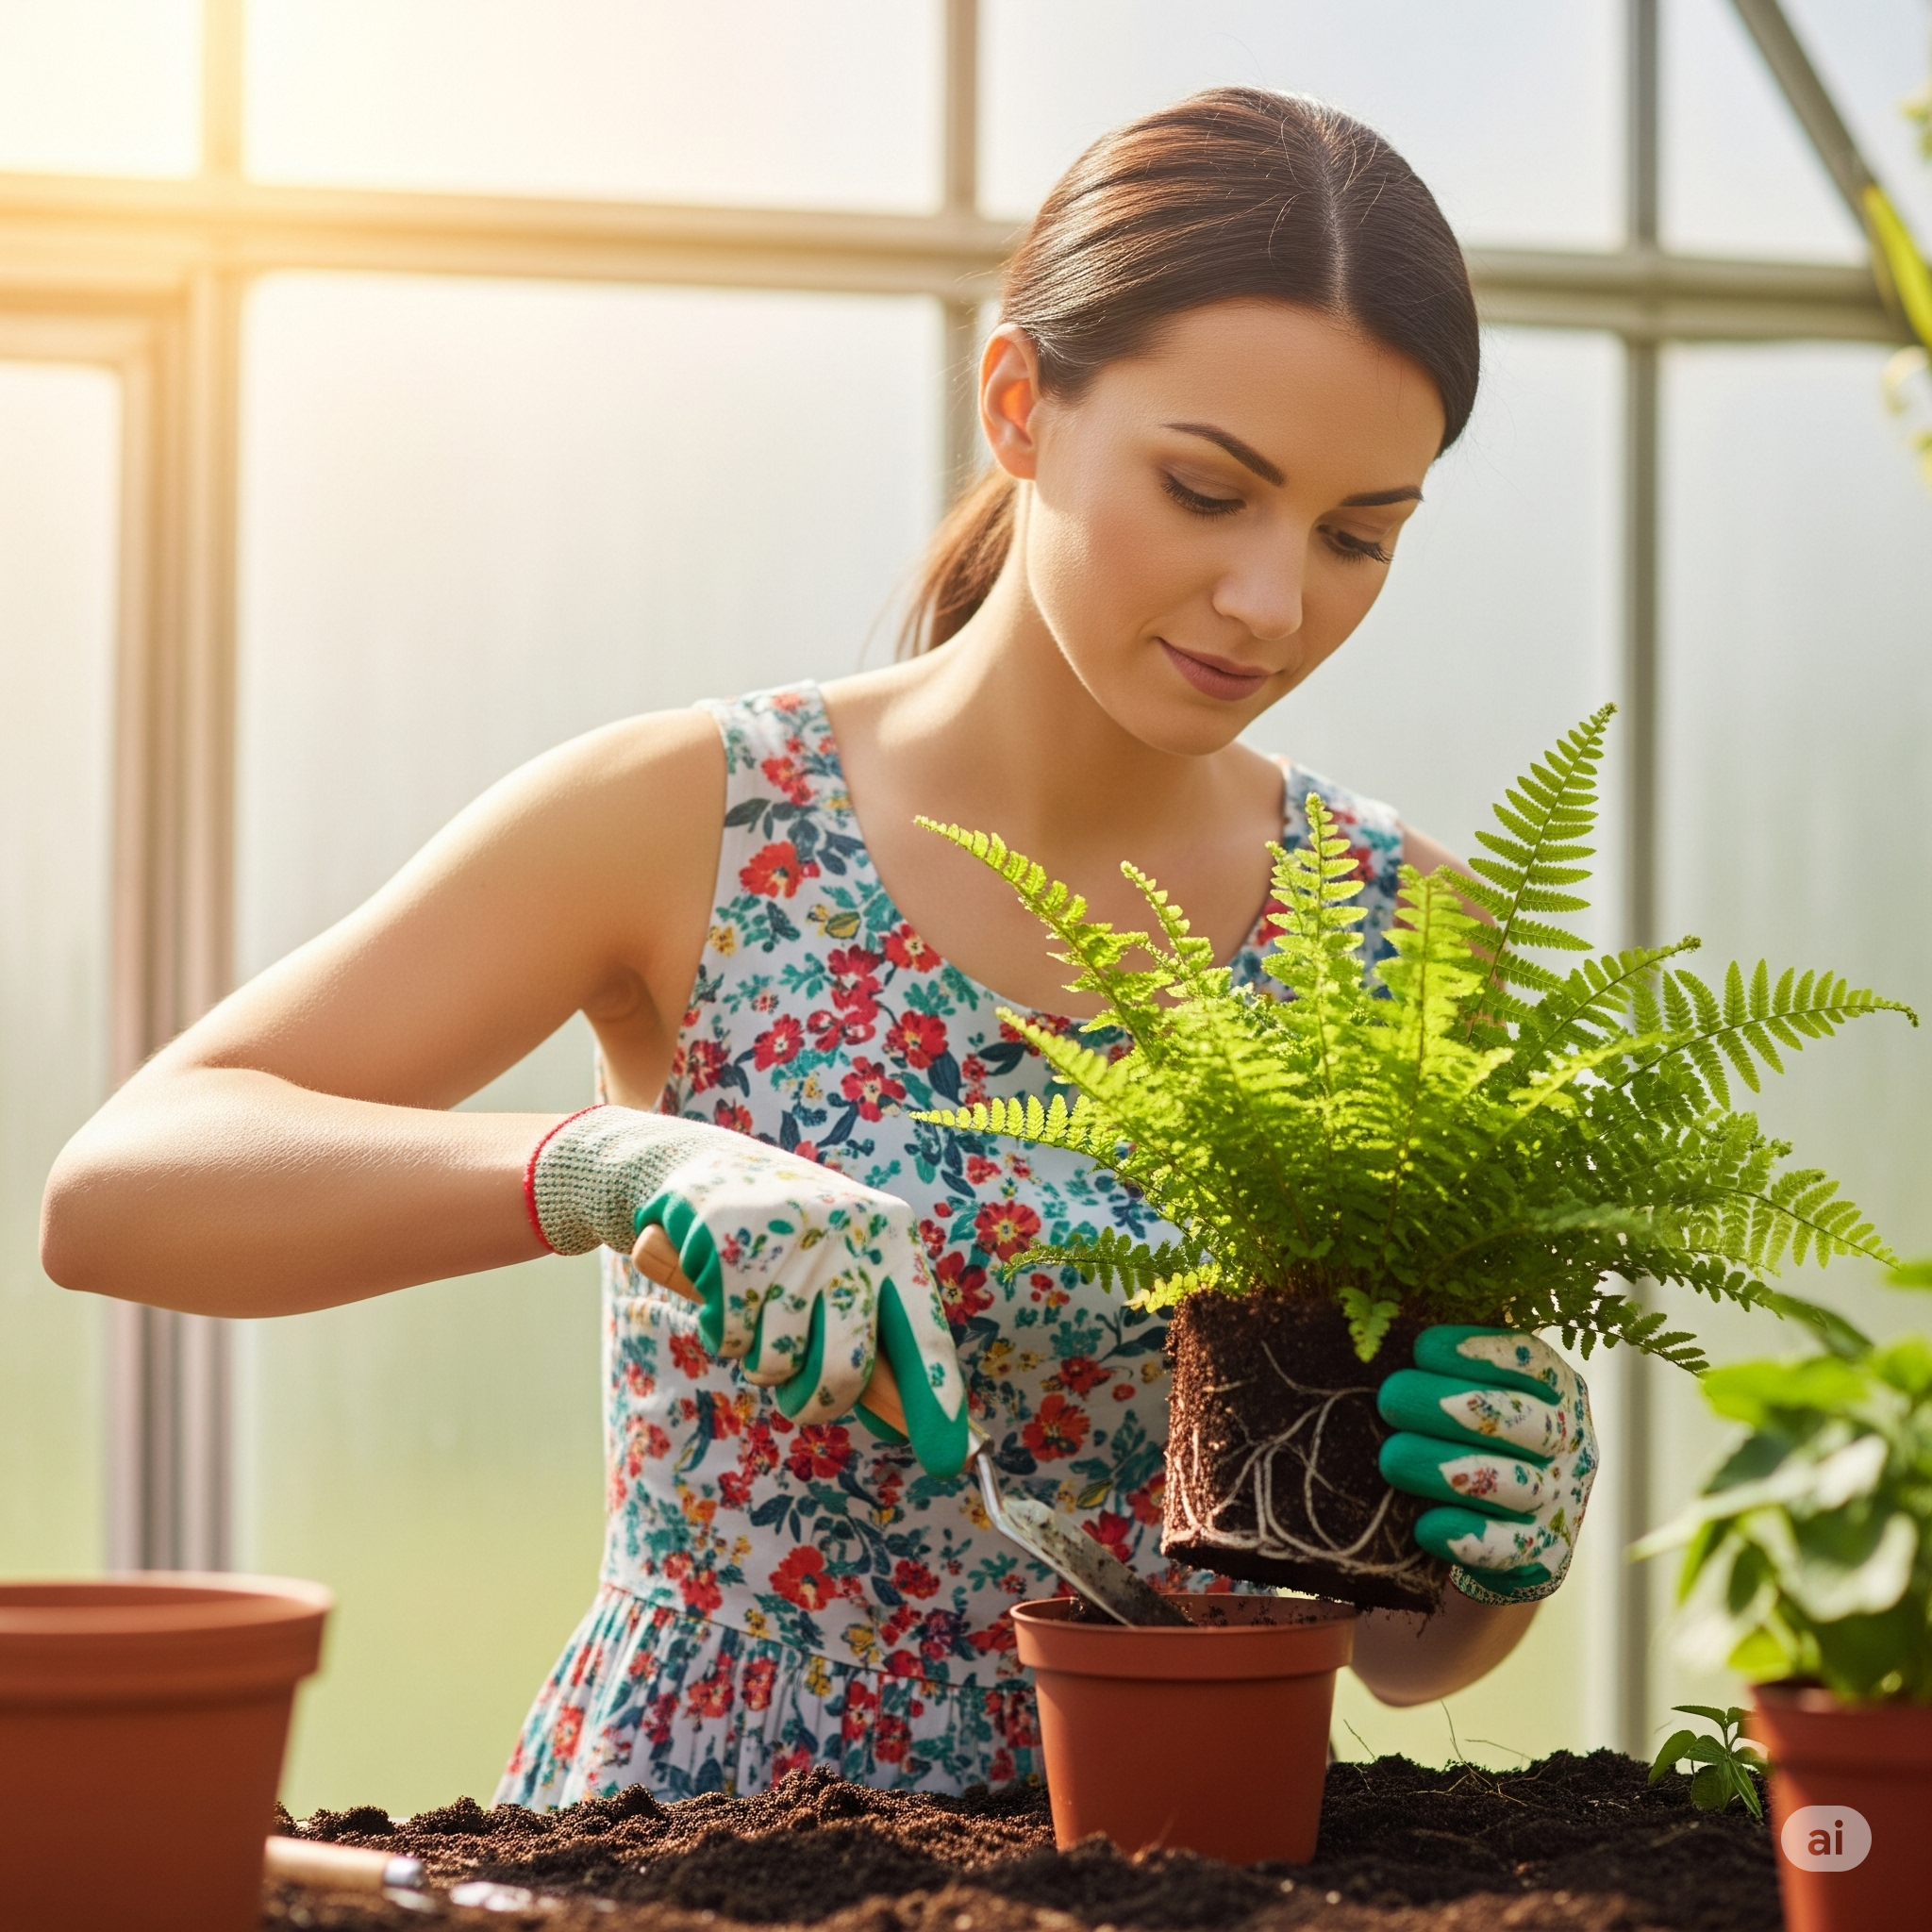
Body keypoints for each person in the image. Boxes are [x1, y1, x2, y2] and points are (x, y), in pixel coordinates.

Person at [42, 87, 1596, 1805]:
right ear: (1019, 402)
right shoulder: (703, 818)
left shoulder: (1405, 932)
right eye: (1206, 489)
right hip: (712, 1840)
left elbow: (1393, 1650)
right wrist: (612, 1168)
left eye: (1357, 535)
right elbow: (125, 1188)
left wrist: (1494, 1530)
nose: (1272, 602)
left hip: (1199, 1847)